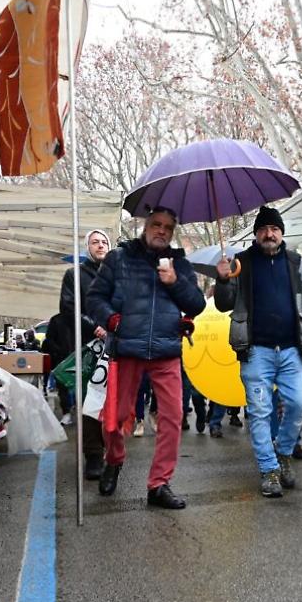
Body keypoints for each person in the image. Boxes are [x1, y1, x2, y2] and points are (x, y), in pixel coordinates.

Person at [87, 207, 205, 509]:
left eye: (168, 226)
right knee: (114, 419)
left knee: (172, 418)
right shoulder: (119, 258)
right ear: (145, 225)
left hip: (166, 352)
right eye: (156, 224)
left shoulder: (180, 264)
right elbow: (94, 298)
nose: (162, 230)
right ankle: (113, 459)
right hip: (126, 350)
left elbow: (196, 304)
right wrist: (112, 320)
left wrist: (175, 282)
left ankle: (159, 484)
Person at [214, 205, 302, 498]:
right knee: (260, 412)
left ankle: (284, 452)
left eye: (275, 229)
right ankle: (269, 470)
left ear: (281, 233)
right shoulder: (241, 262)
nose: (269, 234)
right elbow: (224, 304)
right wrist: (224, 279)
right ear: (255, 234)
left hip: (292, 350)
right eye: (264, 229)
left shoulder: (295, 262)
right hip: (255, 352)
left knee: (298, 405)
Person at [41, 311, 105, 479]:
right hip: (78, 360)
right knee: (86, 401)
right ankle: (94, 453)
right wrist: (61, 353)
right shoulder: (61, 318)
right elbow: (49, 341)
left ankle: (111, 452)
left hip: (107, 353)